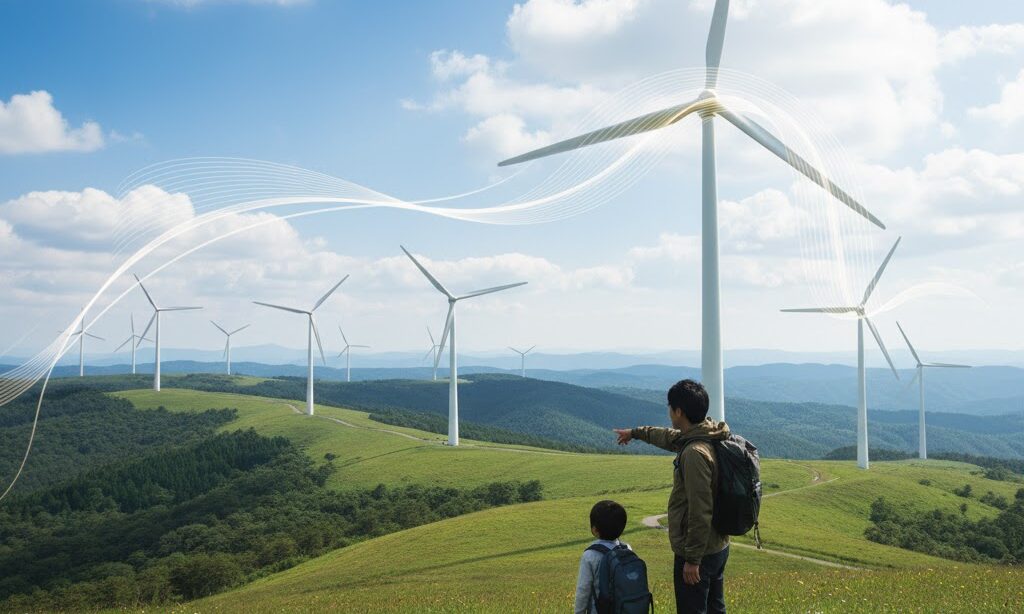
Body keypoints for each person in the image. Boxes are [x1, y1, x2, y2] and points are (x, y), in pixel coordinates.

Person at [613, 379, 730, 614]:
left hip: (700, 552)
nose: (669, 413)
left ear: (678, 412)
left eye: (670, 407)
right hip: (718, 544)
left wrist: (693, 559)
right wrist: (635, 433)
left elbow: (700, 509)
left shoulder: (695, 453)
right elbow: (666, 436)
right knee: (715, 608)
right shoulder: (708, 433)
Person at [574, 500, 630, 614]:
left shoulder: (590, 555)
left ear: (594, 530)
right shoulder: (627, 549)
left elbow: (583, 590)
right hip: (625, 609)